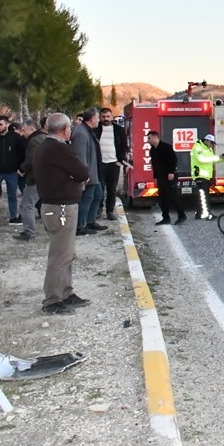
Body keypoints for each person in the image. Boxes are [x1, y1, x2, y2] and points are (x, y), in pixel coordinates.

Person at [32, 112, 91, 315]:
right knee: (60, 255)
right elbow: (82, 172)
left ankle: (66, 292)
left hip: (54, 206)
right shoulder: (58, 149)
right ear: (66, 130)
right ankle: (52, 299)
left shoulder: (43, 147)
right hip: (61, 208)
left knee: (66, 253)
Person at [0, 115, 26, 227]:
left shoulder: (16, 137)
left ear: (7, 124)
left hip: (12, 171)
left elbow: (23, 152)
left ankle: (13, 217)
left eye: (0, 124)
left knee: (12, 195)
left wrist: (17, 164)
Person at [71, 108, 105, 236]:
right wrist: (84, 174)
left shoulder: (88, 131)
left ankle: (90, 221)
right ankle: (81, 226)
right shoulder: (81, 133)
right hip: (88, 174)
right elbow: (80, 156)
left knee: (98, 196)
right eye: (97, 118)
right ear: (92, 119)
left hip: (94, 172)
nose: (99, 120)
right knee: (87, 198)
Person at [15, 118, 45, 241]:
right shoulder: (44, 138)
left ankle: (29, 232)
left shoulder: (34, 141)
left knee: (26, 205)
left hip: (36, 177)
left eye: (24, 130)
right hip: (46, 177)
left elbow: (31, 159)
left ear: (32, 129)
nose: (22, 133)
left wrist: (21, 169)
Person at [95, 107, 127, 220]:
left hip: (114, 164)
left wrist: (120, 160)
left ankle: (110, 211)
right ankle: (98, 209)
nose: (106, 119)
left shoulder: (119, 130)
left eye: (108, 116)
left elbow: (124, 146)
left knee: (111, 189)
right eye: (103, 117)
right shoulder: (95, 130)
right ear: (99, 117)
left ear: (112, 116)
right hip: (100, 164)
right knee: (99, 188)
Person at [148, 130, 186, 225]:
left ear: (155, 138)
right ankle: (166, 218)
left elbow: (173, 159)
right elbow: (154, 164)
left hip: (170, 176)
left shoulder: (166, 147)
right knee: (162, 198)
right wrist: (155, 176)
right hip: (160, 177)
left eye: (149, 138)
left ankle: (181, 215)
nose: (148, 140)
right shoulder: (152, 150)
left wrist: (171, 172)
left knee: (172, 196)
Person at [190, 133, 224, 219]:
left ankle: (198, 214)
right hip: (200, 175)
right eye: (211, 143)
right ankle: (207, 214)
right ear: (207, 141)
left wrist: (222, 159)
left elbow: (212, 160)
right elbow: (201, 159)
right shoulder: (198, 147)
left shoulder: (208, 149)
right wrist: (216, 158)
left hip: (205, 176)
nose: (212, 145)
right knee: (204, 196)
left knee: (202, 195)